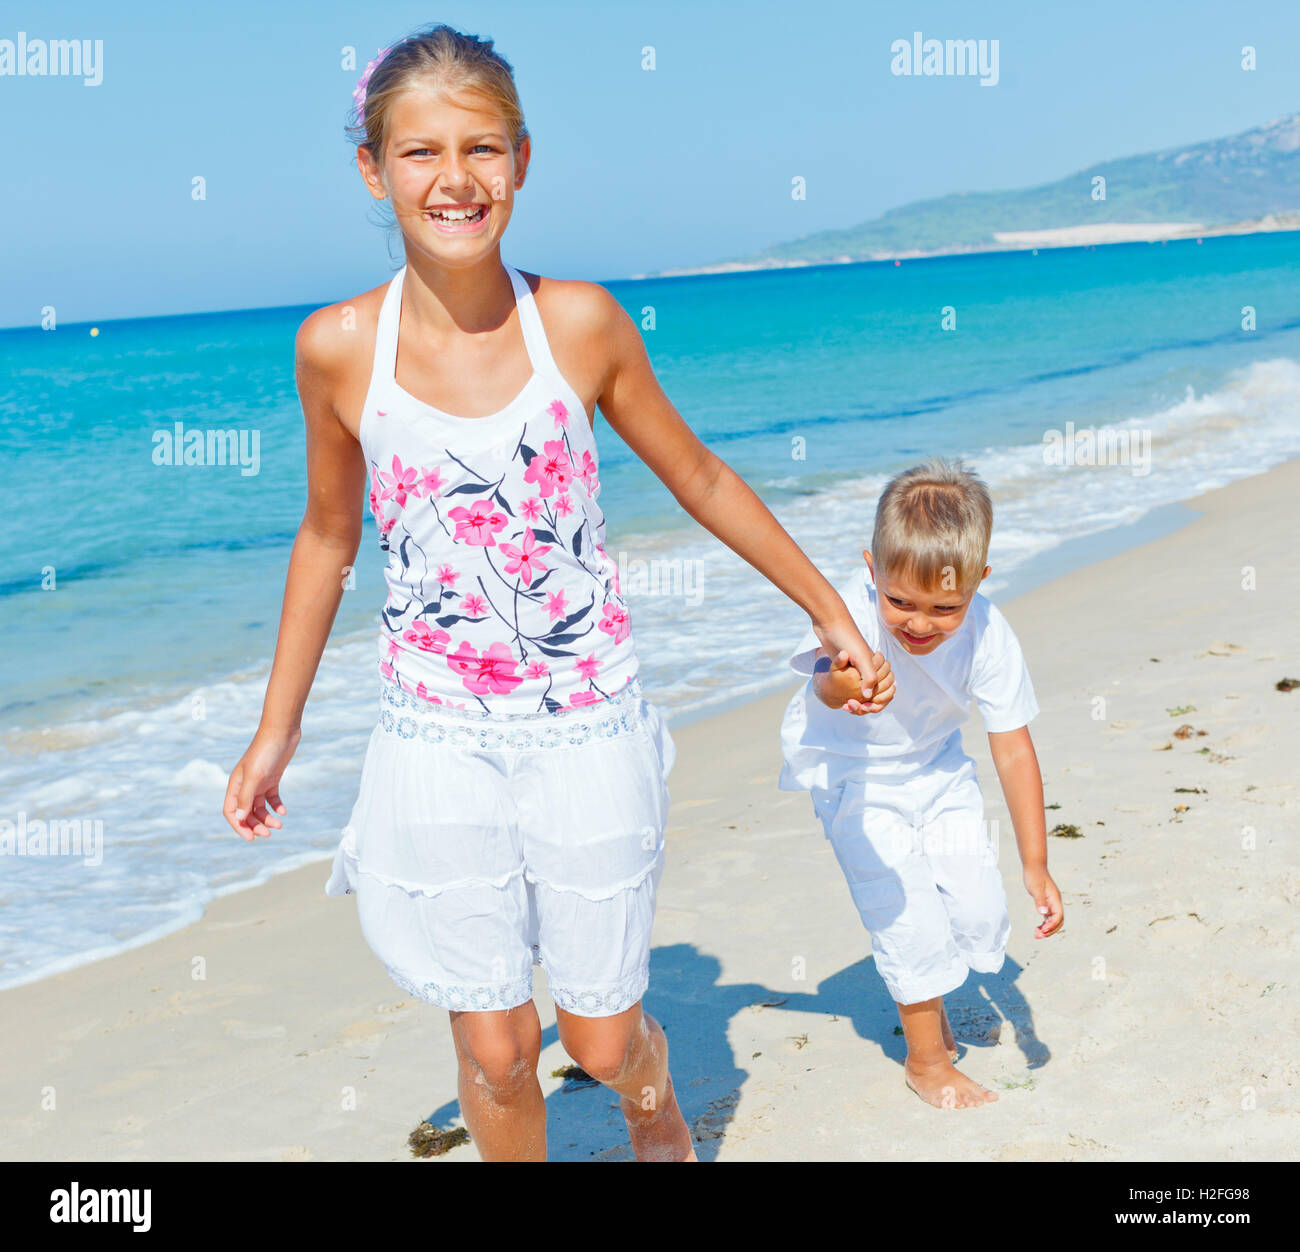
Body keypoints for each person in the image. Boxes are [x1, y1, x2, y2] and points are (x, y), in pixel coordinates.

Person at [221, 22, 893, 1160]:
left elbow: (698, 474)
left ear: (522, 161)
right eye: (421, 153)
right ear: (372, 169)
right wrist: (273, 731)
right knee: (492, 1051)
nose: (454, 180)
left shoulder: (577, 322)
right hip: (433, 730)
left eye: (481, 149)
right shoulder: (336, 347)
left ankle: (653, 1100)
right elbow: (329, 535)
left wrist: (825, 608)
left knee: (595, 1039)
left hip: (586, 721)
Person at [777, 457, 1064, 1109]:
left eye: (944, 607)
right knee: (908, 917)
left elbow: (1014, 748)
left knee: (979, 907)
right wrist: (841, 681)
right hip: (853, 776)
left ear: (978, 583)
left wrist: (1037, 863)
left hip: (937, 769)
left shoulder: (989, 632)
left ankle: (934, 1000)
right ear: (871, 570)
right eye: (900, 601)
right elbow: (821, 683)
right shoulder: (851, 606)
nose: (917, 623)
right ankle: (927, 1060)